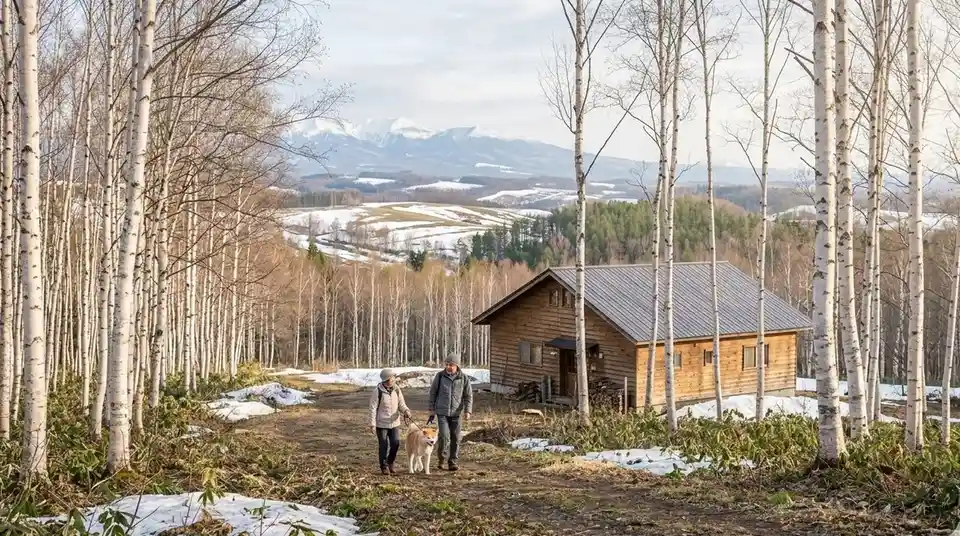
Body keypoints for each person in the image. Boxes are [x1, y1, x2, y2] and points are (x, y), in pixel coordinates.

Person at [428, 353, 473, 471]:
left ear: (457, 366)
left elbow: (468, 396)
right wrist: (432, 409)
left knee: (456, 437)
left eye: (451, 365)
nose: (448, 367)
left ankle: (452, 461)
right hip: (442, 412)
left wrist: (468, 411)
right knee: (444, 436)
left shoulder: (463, 378)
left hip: (456, 413)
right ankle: (441, 459)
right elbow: (433, 393)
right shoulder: (440, 376)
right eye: (447, 364)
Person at [369, 368, 411, 475]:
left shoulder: (397, 389)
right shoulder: (377, 391)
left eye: (393, 378)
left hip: (395, 423)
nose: (393, 380)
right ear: (386, 380)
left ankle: (390, 462)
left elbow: (401, 404)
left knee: (395, 443)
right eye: (391, 378)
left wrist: (406, 411)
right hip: (381, 423)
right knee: (383, 445)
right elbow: (373, 408)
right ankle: (384, 466)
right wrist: (372, 424)